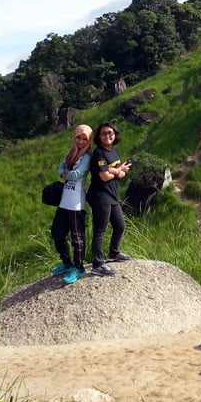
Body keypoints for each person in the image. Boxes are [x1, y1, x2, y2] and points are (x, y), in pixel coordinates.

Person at [87, 121, 133, 276]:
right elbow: (104, 176)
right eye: (104, 133)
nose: (107, 136)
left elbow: (121, 174)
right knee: (100, 230)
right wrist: (116, 170)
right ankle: (98, 264)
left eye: (110, 133)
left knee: (120, 225)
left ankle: (114, 253)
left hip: (112, 195)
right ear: (99, 137)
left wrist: (116, 170)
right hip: (100, 196)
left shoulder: (115, 151)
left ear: (115, 135)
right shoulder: (99, 154)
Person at [51, 124, 93, 284]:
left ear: (89, 141)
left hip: (76, 203)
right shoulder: (71, 153)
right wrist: (65, 172)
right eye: (78, 137)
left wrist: (65, 173)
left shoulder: (87, 156)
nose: (81, 141)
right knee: (57, 233)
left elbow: (77, 174)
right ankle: (66, 262)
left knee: (77, 238)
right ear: (74, 137)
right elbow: (60, 168)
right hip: (64, 202)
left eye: (85, 139)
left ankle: (79, 267)